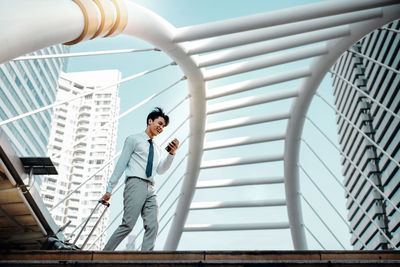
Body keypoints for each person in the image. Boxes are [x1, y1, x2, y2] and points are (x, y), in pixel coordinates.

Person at [102, 107, 179, 251]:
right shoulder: (133, 139)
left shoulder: (157, 148)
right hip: (135, 183)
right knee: (128, 225)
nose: (161, 128)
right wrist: (109, 189)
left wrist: (171, 154)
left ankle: (146, 259)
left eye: (163, 126)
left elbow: (160, 170)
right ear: (150, 121)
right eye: (160, 123)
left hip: (151, 188)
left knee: (153, 225)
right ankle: (104, 254)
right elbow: (121, 164)